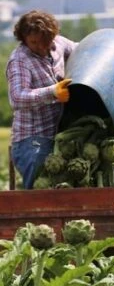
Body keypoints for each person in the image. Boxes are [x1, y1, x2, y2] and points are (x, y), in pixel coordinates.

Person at [6, 10, 77, 189]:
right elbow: (17, 97)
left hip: (59, 136)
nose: (40, 47)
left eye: (45, 41)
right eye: (34, 42)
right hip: (32, 142)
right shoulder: (20, 60)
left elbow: (82, 50)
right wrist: (52, 92)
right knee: (40, 193)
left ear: (53, 35)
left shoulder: (60, 44)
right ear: (23, 38)